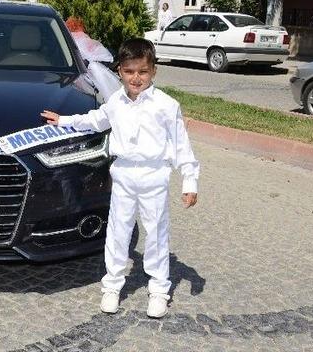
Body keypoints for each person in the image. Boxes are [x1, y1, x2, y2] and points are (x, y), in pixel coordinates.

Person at [40, 38, 199, 319]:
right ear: (119, 72)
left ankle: (159, 289)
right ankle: (112, 286)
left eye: (143, 71)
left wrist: (189, 181)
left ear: (154, 71)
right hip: (123, 174)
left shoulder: (166, 105)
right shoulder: (115, 101)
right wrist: (64, 121)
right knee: (118, 231)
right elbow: (95, 120)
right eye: (129, 71)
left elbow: (180, 144)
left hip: (154, 175)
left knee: (156, 234)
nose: (136, 78)